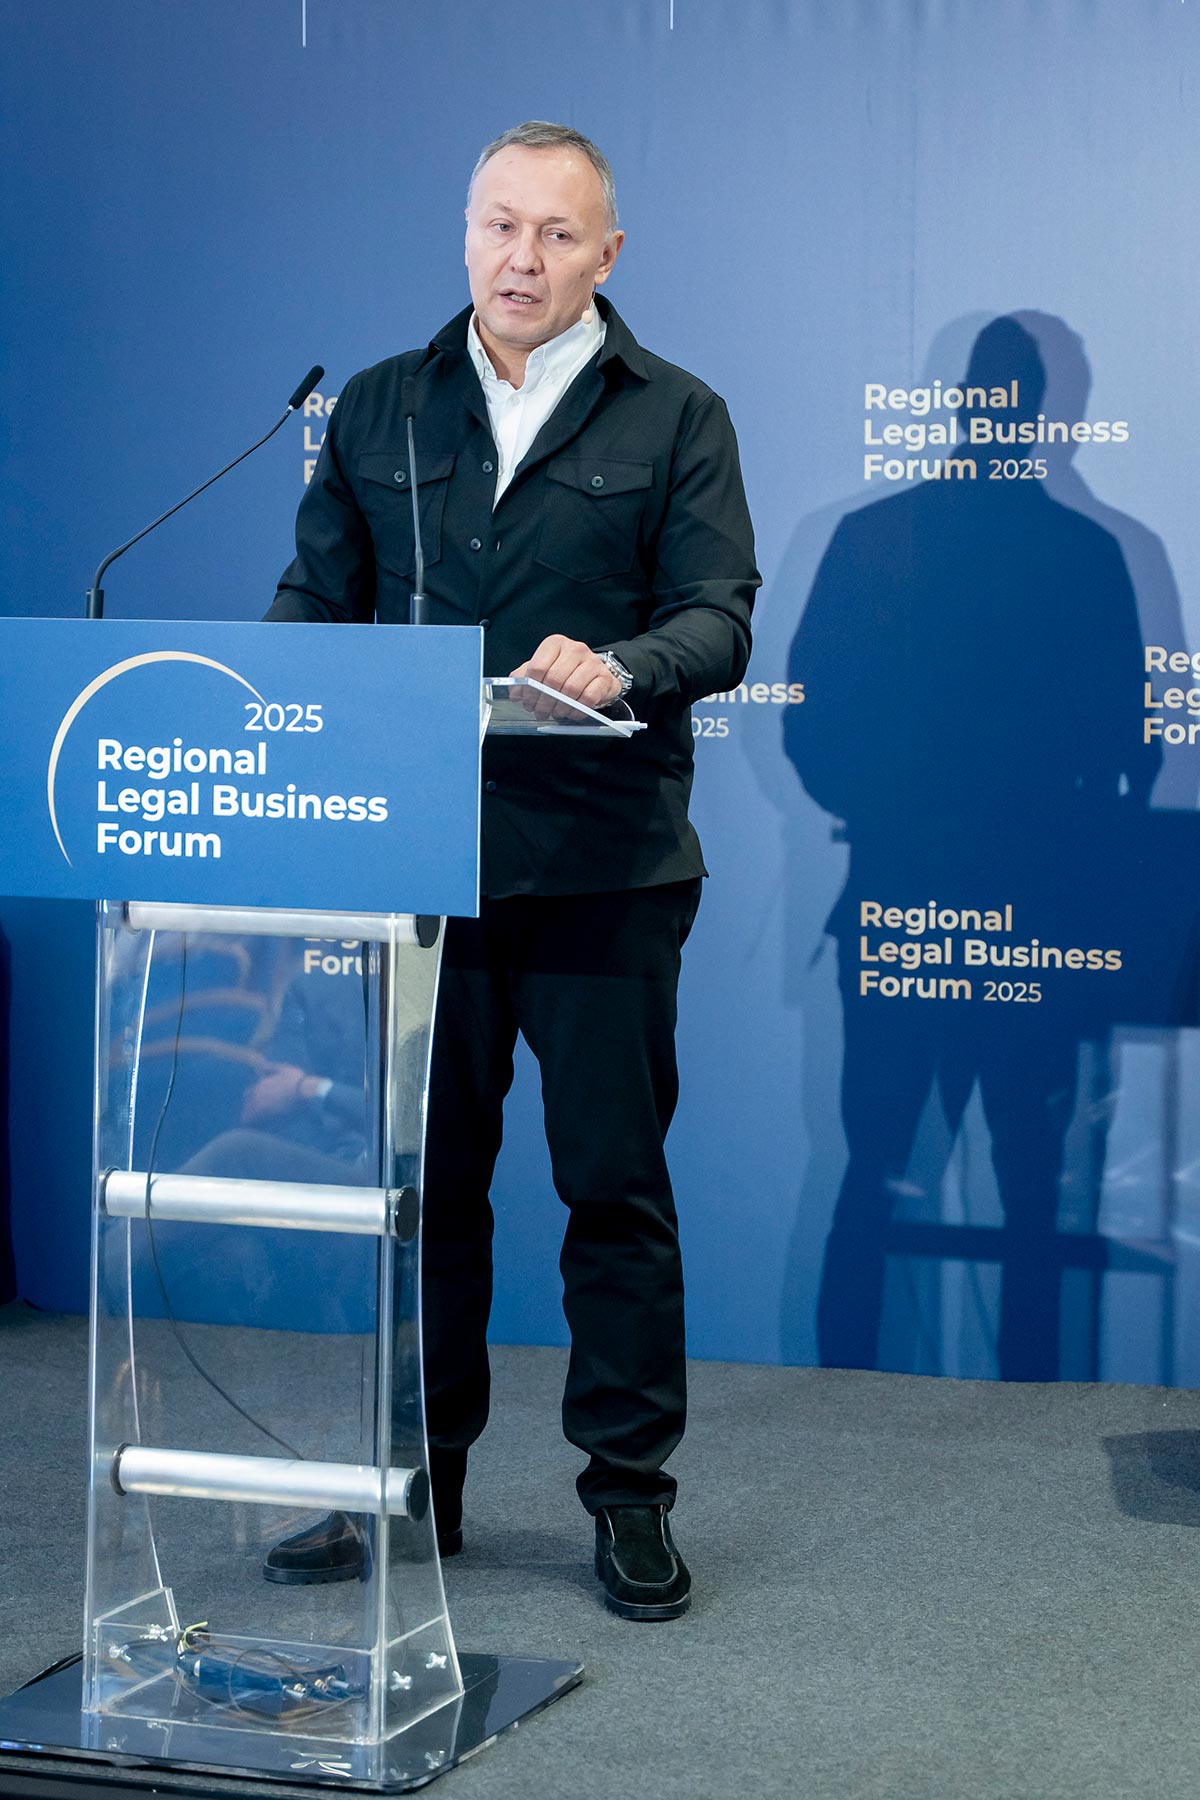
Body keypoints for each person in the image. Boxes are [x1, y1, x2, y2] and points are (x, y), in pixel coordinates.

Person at [262, 120, 759, 1619]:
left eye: (555, 232)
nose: (520, 258)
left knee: (612, 1193)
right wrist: (274, 709)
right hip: (423, 863)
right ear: (464, 233)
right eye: (498, 225)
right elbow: (313, 605)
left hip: (606, 869)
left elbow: (720, 616)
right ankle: (418, 1487)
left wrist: (625, 666)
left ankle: (630, 1496)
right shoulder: (382, 406)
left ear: (607, 253)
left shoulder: (677, 413)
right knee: (428, 1199)